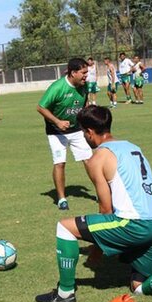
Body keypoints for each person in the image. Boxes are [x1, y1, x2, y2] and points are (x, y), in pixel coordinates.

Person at [35, 105, 152, 302]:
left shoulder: (97, 158)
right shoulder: (134, 147)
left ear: (90, 132)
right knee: (138, 286)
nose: (84, 137)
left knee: (65, 228)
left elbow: (106, 210)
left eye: (83, 132)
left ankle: (64, 294)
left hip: (134, 224)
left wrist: (97, 250)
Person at [36, 58, 93, 211]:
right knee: (60, 162)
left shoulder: (84, 86)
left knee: (89, 160)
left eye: (86, 73)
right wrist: (57, 121)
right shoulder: (57, 87)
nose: (86, 76)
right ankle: (62, 199)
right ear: (73, 73)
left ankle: (101, 191)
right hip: (56, 131)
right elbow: (41, 108)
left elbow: (84, 103)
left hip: (76, 130)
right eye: (83, 73)